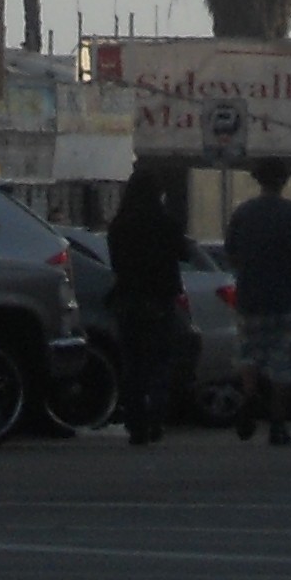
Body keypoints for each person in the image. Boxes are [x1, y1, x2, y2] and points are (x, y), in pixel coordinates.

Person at [220, 159, 291, 449]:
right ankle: (278, 423)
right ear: (284, 181)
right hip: (286, 298)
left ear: (257, 180)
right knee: (283, 363)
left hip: (250, 297)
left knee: (249, 354)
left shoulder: (243, 214)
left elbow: (231, 255)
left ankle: (250, 396)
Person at [105, 164, 191, 446]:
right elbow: (185, 253)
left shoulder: (120, 225)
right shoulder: (166, 222)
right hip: (160, 298)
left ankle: (136, 422)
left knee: (133, 364)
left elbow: (116, 263)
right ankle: (156, 417)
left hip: (129, 298)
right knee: (160, 362)